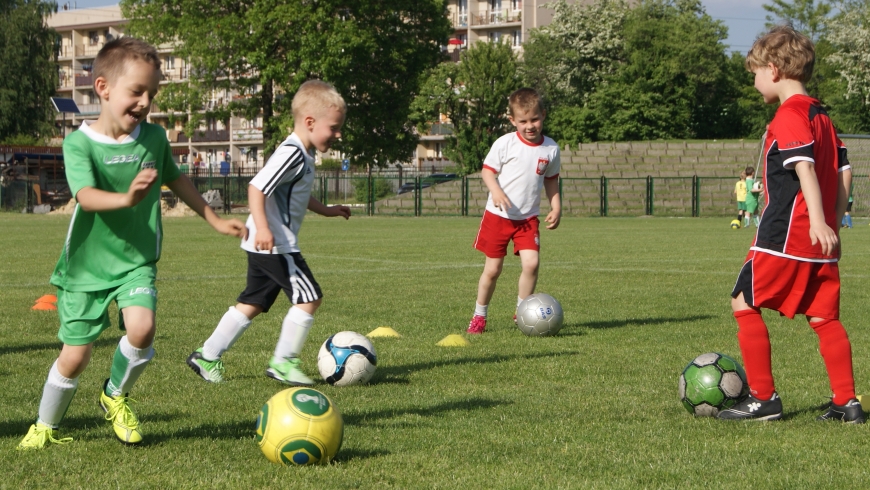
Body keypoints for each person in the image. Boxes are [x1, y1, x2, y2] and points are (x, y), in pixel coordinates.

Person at [17, 37, 247, 450]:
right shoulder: (79, 143)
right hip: (86, 267)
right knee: (75, 357)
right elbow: (85, 196)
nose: (145, 102)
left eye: (152, 94)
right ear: (103, 88)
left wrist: (212, 217)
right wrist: (127, 198)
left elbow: (175, 178)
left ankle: (115, 394)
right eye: (137, 91)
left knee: (142, 328)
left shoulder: (154, 139)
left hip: (136, 260)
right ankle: (45, 426)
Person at [717, 26, 862, 423]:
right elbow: (845, 172)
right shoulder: (822, 116)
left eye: (755, 72)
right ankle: (846, 403)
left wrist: (817, 220)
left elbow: (805, 167)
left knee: (743, 302)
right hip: (818, 241)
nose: (754, 80)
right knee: (824, 317)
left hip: (786, 234)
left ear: (774, 69)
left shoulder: (791, 114)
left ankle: (763, 400)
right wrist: (832, 223)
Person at [187, 80, 350, 384]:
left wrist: (328, 210)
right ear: (310, 122)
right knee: (309, 298)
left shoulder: (304, 154)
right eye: (334, 127)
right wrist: (263, 227)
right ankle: (283, 362)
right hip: (276, 245)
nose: (338, 134)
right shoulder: (292, 152)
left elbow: (296, 194)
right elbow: (257, 187)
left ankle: (207, 355)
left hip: (264, 244)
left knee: (252, 303)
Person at [466, 88, 561, 334]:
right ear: (512, 121)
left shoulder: (550, 149)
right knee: (493, 269)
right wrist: (495, 190)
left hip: (527, 220)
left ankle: (522, 314)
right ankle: (479, 316)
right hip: (498, 217)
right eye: (523, 121)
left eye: (535, 119)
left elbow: (551, 179)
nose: (530, 126)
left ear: (544, 115)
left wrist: (556, 205)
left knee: (531, 264)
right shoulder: (505, 143)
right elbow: (487, 171)